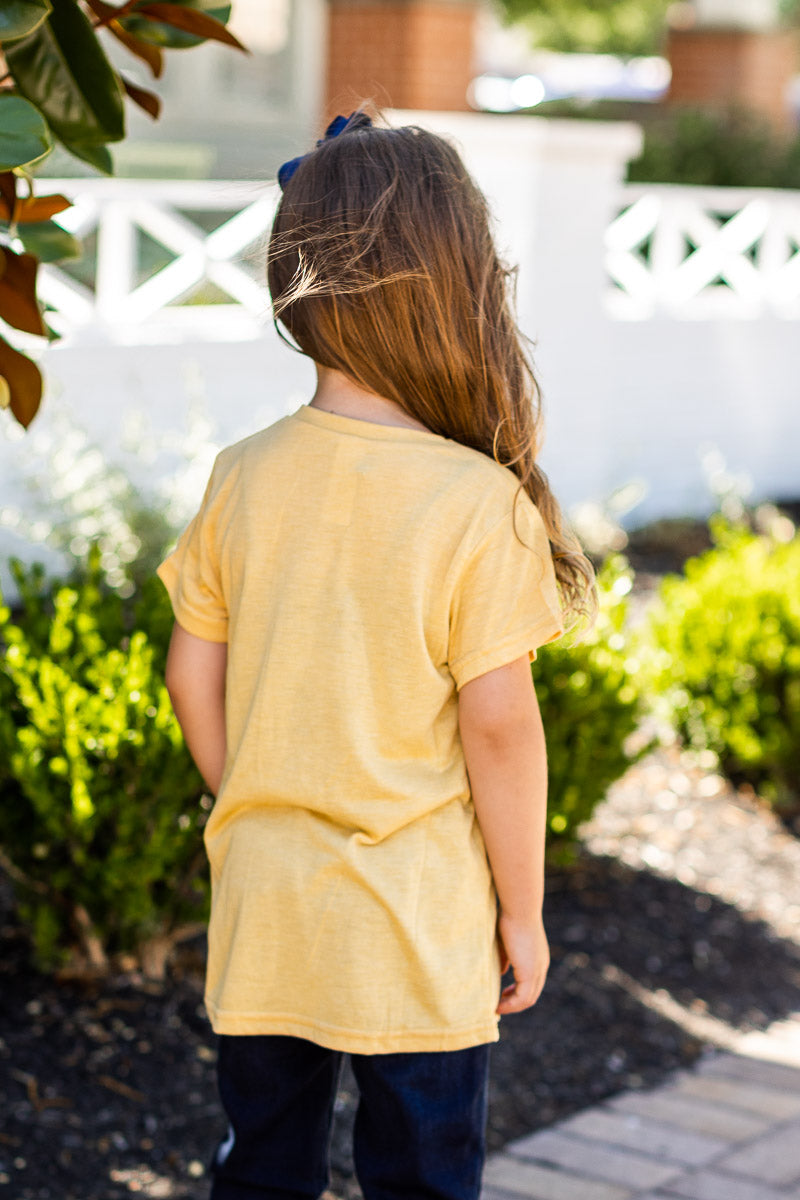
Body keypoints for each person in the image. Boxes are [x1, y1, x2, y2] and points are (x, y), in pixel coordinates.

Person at [158, 110, 596, 1200]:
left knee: (261, 1166)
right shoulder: (474, 504)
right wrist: (522, 913)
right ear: (452, 290)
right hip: (416, 924)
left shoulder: (242, 473)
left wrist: (251, 797)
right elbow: (499, 729)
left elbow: (188, 673)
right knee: (418, 1178)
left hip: (266, 909)